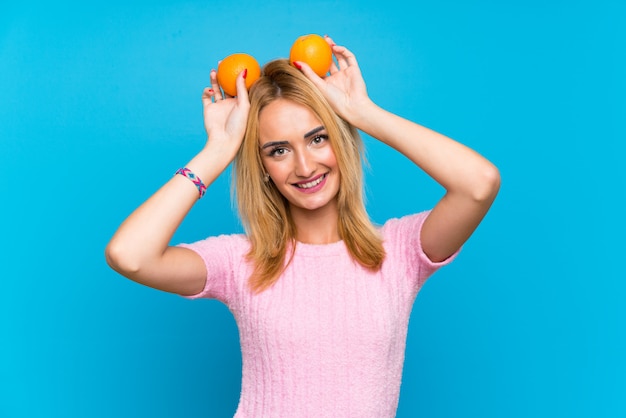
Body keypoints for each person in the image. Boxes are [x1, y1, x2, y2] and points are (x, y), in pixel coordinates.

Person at [105, 36, 500, 417]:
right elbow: (130, 255)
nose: (305, 167)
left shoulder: (398, 251)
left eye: (318, 139)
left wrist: (362, 113)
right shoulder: (241, 260)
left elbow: (478, 184)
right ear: (263, 168)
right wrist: (219, 150)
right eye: (278, 150)